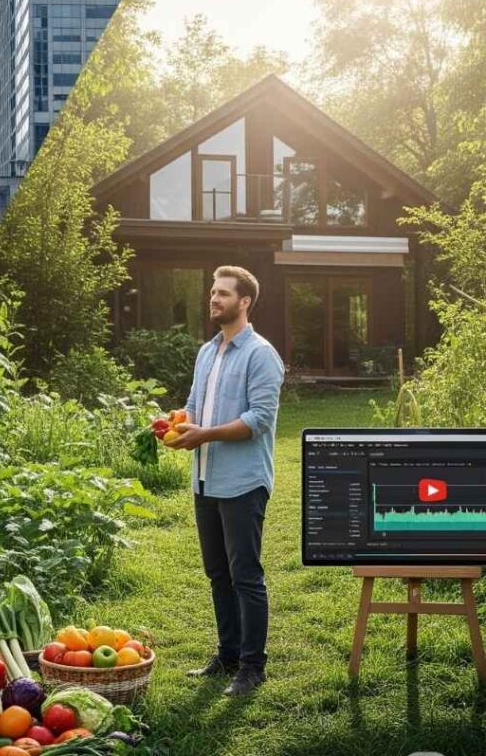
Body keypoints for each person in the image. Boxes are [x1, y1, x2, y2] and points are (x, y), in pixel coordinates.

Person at [164, 266, 284, 697]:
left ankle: (253, 666)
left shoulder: (261, 354)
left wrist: (206, 434)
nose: (214, 299)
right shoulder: (207, 351)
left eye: (223, 293)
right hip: (205, 479)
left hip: (243, 482)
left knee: (245, 575)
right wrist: (176, 425)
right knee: (217, 573)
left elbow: (259, 419)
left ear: (244, 301)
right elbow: (194, 405)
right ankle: (228, 654)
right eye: (213, 292)